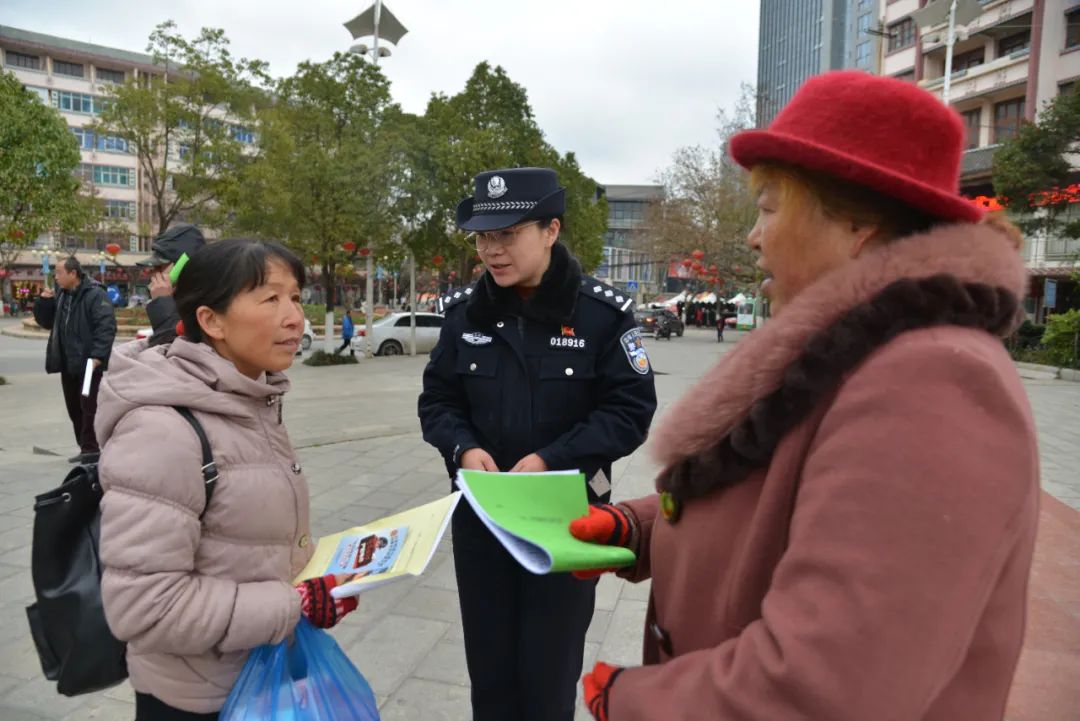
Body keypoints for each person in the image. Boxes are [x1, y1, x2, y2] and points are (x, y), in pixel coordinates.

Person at [571, 71, 1039, 721]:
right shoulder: (862, 354)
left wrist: (633, 698)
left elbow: (828, 684)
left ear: (856, 224)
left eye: (768, 207)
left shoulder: (932, 384)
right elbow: (782, 492)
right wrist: (640, 528)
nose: (753, 236)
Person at [418, 167, 657, 721]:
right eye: (482, 237)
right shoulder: (464, 315)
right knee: (491, 679)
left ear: (551, 230)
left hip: (569, 522)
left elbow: (630, 411)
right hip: (483, 523)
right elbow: (437, 403)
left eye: (507, 235)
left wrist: (555, 457)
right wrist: (461, 448)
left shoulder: (601, 316)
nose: (491, 252)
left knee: (548, 678)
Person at [94, 239, 359, 720]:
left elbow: (241, 540)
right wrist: (293, 605)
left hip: (261, 678)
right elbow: (143, 606)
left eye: (296, 297)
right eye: (270, 298)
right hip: (198, 699)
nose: (294, 317)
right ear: (211, 321)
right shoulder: (163, 430)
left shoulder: (251, 400)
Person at [33, 256, 117, 464]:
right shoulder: (61, 295)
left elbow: (106, 326)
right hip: (67, 362)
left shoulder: (95, 294)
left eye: (60, 272)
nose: (56, 277)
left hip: (89, 364)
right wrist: (44, 301)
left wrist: (97, 356)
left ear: (73, 273)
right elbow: (46, 323)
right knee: (74, 407)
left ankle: (91, 448)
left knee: (88, 406)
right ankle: (85, 447)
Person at [136, 223, 207, 347]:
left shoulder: (204, 302)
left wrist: (161, 302)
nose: (150, 273)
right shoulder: (179, 300)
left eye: (159, 267)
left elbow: (175, 347)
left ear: (181, 267)